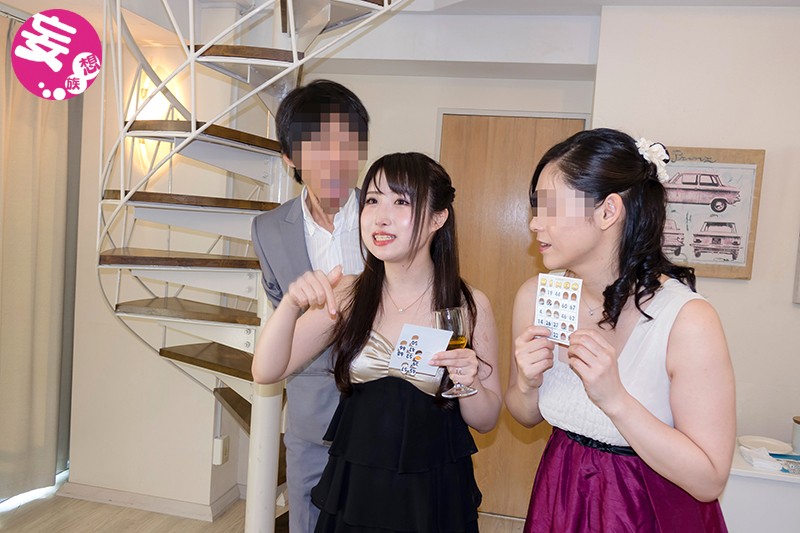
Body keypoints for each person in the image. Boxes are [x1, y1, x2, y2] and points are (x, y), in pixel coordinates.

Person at [252, 152, 502, 532]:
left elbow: (486, 420)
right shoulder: (350, 294)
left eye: (401, 202)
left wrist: (470, 384)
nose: (381, 217)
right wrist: (290, 304)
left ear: (438, 218)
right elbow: (265, 370)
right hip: (357, 487)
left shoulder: (467, 305)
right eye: (372, 200)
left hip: (431, 490)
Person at [505, 128, 735, 532]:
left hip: (647, 508)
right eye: (536, 208)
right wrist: (526, 383)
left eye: (550, 207)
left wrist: (615, 399)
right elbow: (524, 415)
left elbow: (709, 479)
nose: (535, 224)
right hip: (562, 496)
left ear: (608, 211)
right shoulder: (536, 297)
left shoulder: (688, 320)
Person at [250, 79, 369, 533]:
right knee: (308, 521)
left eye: (347, 143)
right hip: (309, 416)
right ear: (290, 158)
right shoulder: (267, 230)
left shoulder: (389, 215)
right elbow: (285, 314)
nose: (336, 159)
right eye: (317, 146)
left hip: (384, 409)